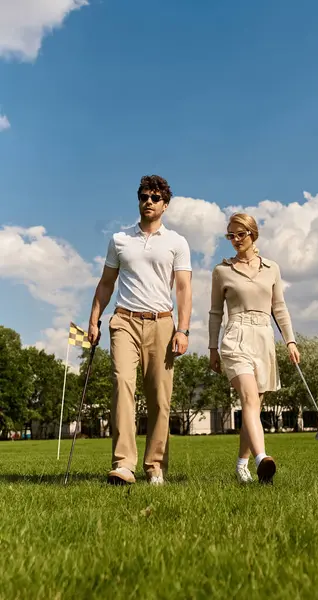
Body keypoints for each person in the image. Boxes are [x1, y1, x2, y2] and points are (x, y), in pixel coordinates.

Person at [88, 175, 192, 486]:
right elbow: (106, 284)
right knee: (122, 384)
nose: (149, 201)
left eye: (155, 197)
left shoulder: (177, 242)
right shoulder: (120, 240)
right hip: (124, 321)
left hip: (162, 322)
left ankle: (155, 466)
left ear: (165, 205)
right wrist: (93, 320)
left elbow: (184, 290)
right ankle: (123, 465)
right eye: (144, 196)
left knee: (159, 398)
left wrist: (183, 329)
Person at [208, 213, 300, 485]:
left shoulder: (271, 268)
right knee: (248, 399)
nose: (235, 240)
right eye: (230, 235)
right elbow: (215, 313)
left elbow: (279, 307)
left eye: (240, 234)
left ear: (252, 234)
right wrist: (213, 348)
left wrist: (290, 341)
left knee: (253, 408)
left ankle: (241, 465)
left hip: (263, 337)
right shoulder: (221, 270)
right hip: (235, 336)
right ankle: (263, 459)